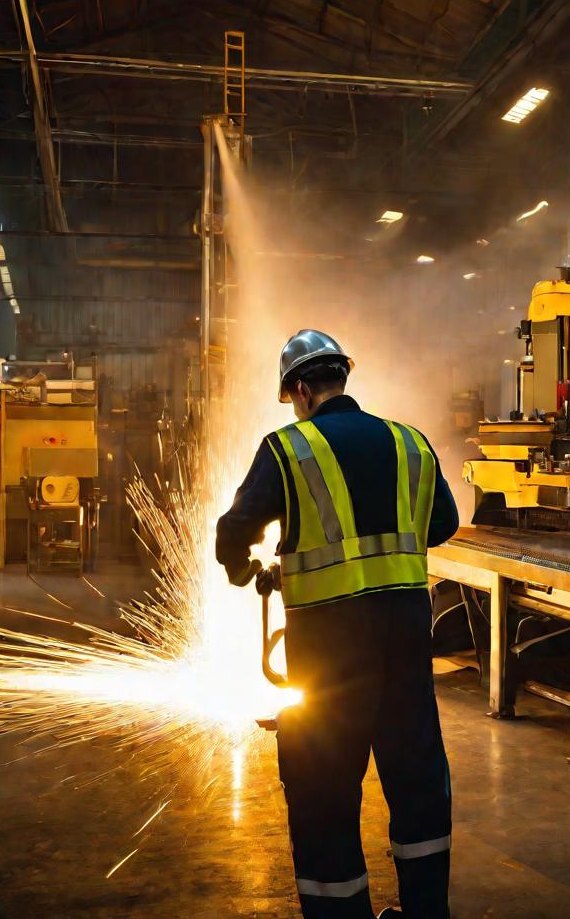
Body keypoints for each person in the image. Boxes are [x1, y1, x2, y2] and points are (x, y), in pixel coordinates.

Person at [216, 329, 459, 919]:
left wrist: (247, 569)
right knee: (417, 780)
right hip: (404, 645)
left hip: (328, 656)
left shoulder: (288, 449)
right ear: (342, 377)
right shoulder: (410, 442)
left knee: (323, 791)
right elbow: (443, 523)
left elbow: (233, 532)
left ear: (300, 389)